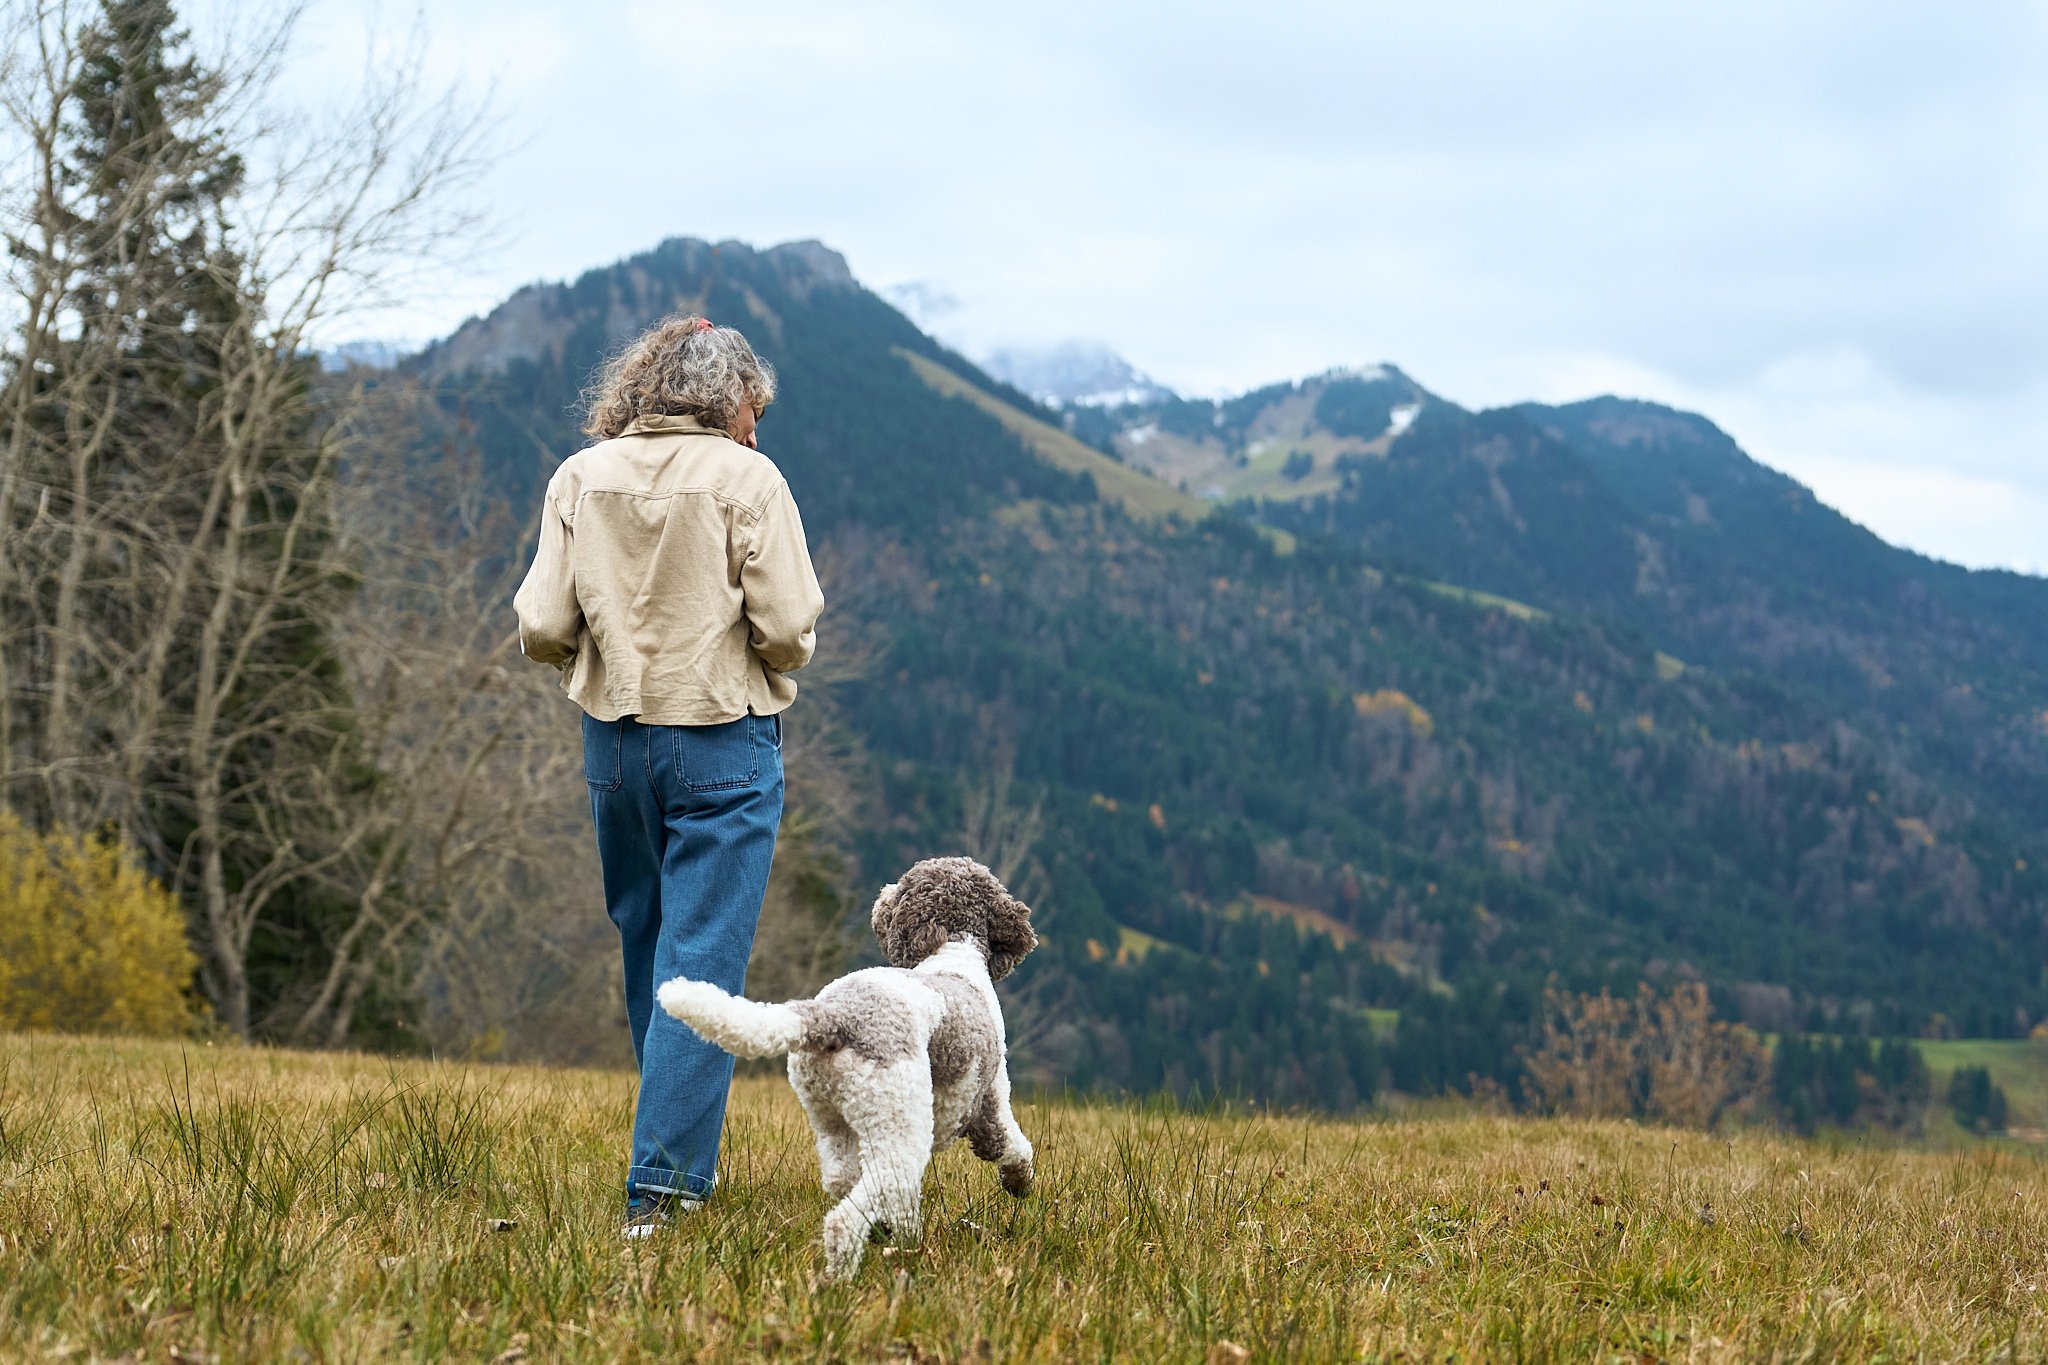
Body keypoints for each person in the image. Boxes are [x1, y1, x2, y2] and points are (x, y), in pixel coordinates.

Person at [513, 314, 825, 1237]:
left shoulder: (581, 474)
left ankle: (669, 1154)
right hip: (723, 734)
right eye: (751, 410)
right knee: (702, 962)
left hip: (614, 741)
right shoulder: (749, 478)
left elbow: (539, 625)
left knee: (649, 945)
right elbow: (788, 628)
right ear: (731, 401)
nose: (755, 428)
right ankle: (663, 1191)